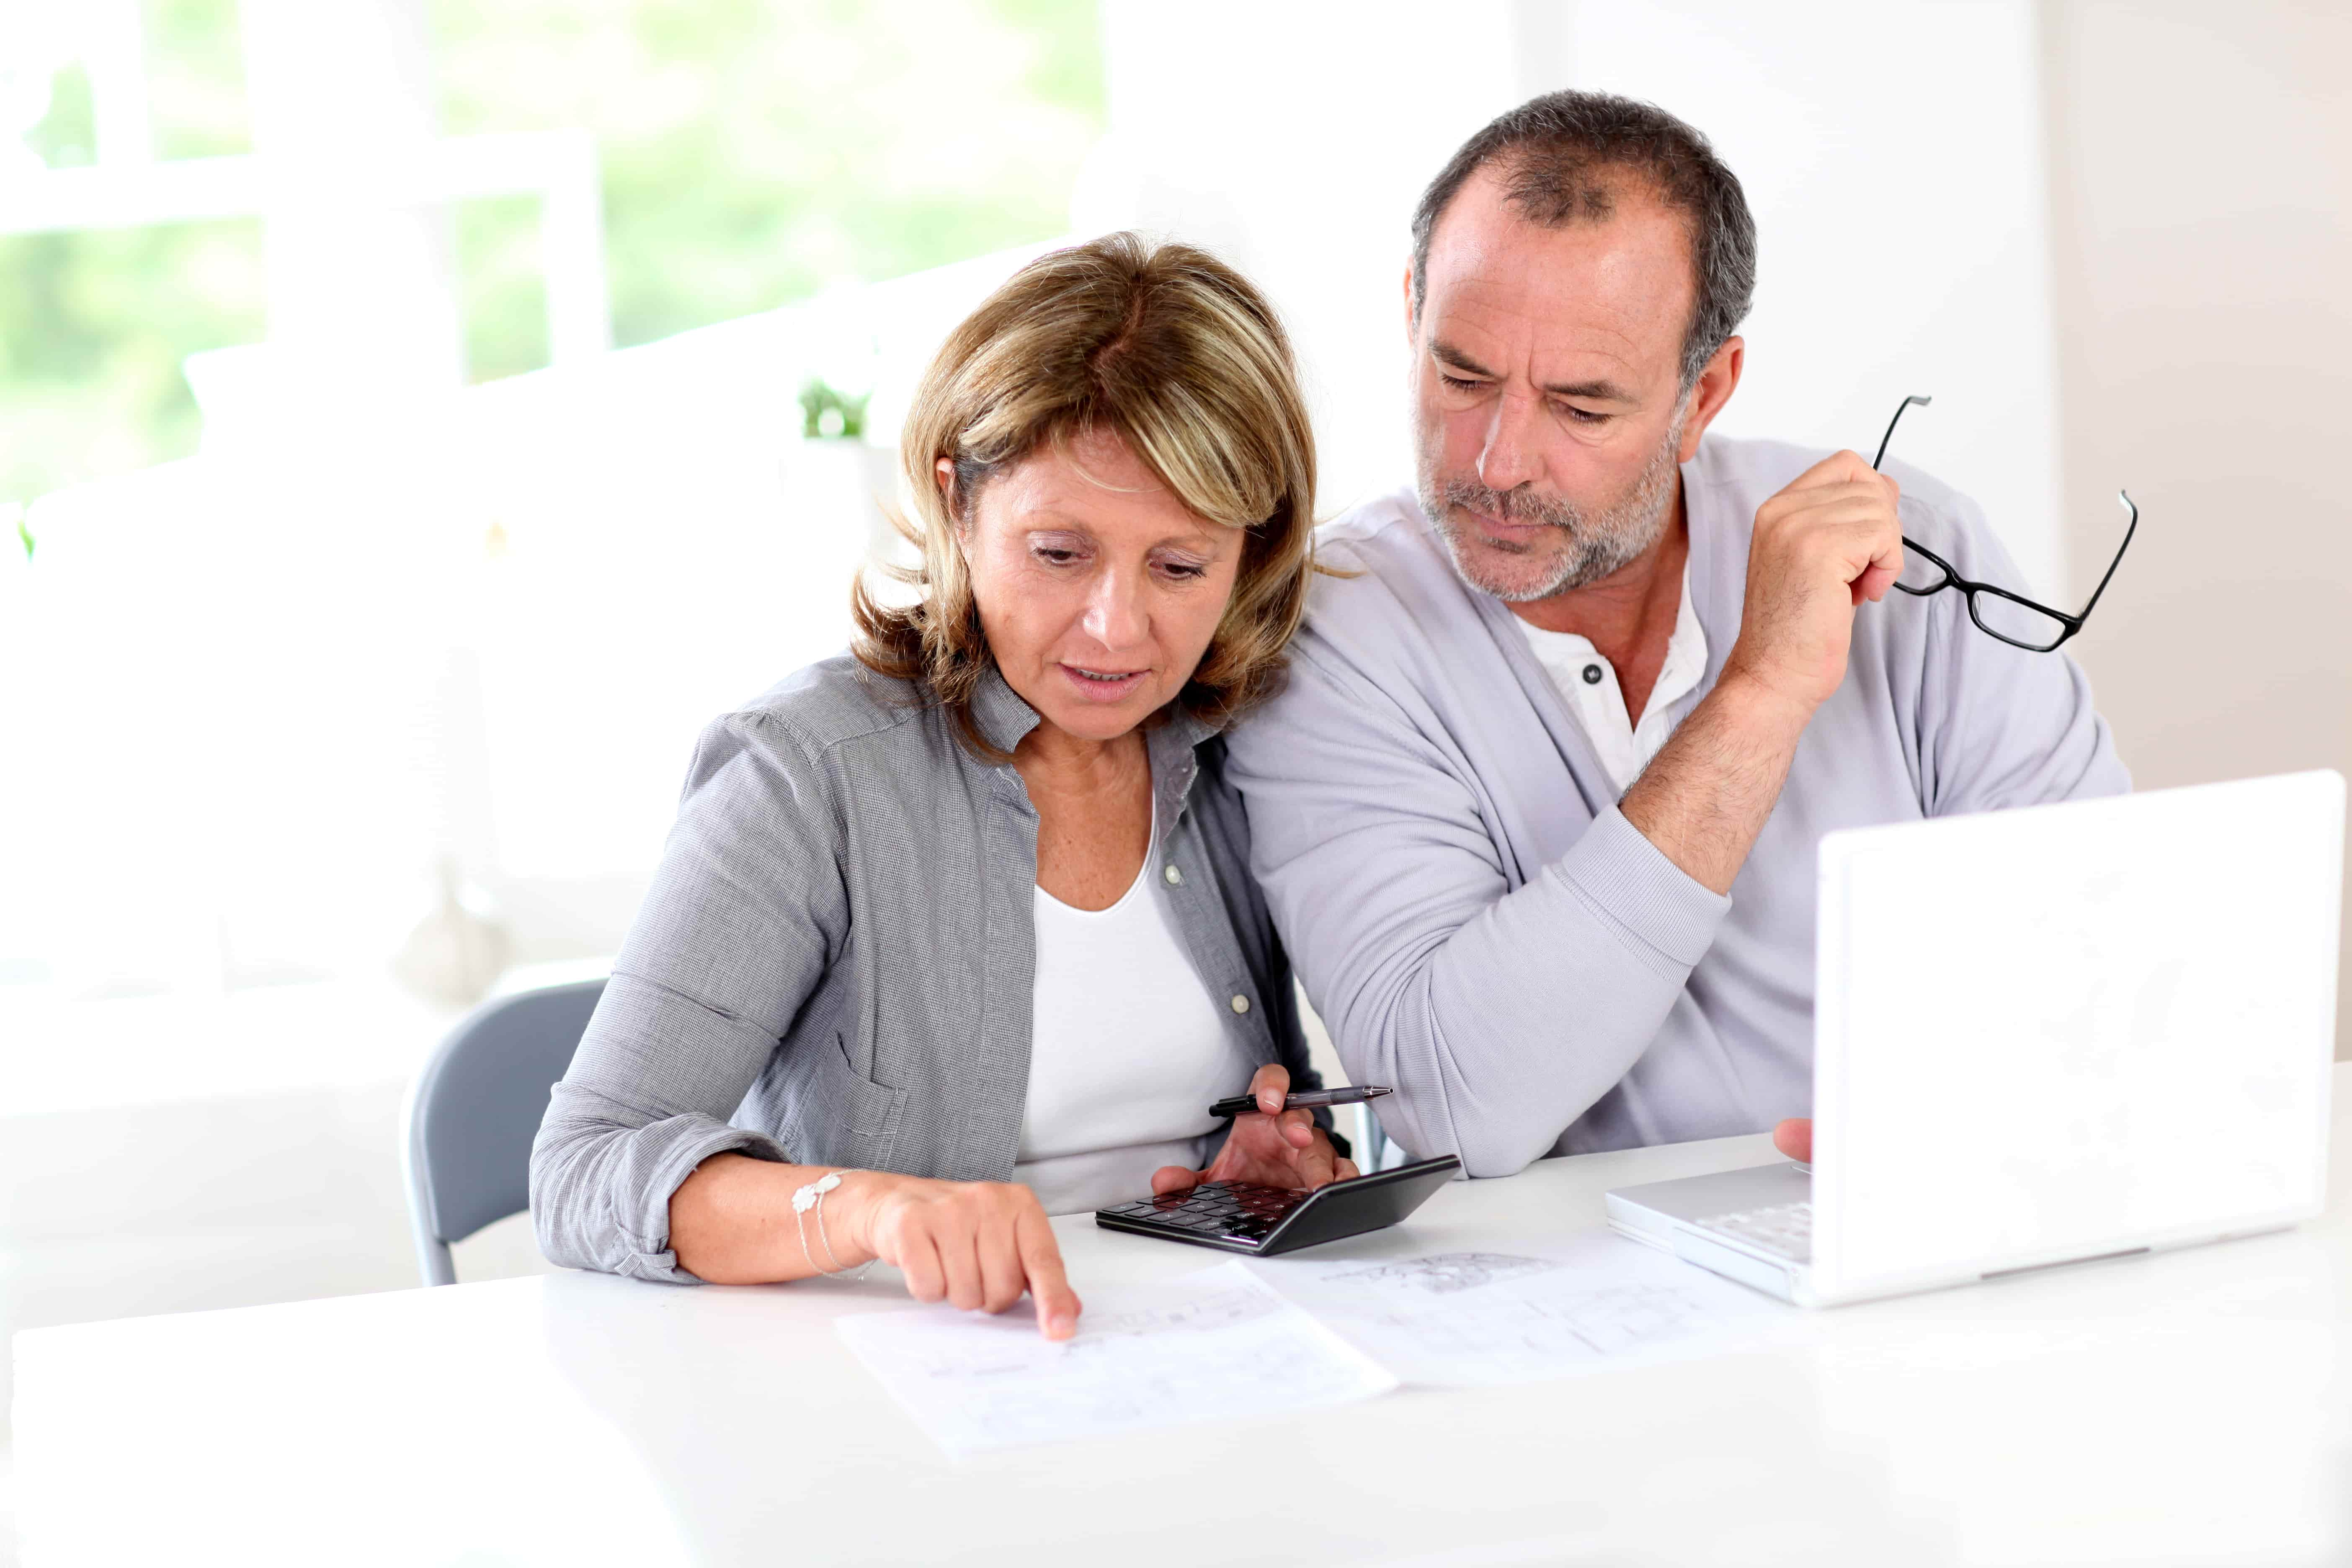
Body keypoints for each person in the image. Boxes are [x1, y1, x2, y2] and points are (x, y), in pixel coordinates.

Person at [1223, 91, 2129, 1178]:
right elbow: (1462, 1107)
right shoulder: (1327, 625)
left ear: (1704, 394)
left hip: (1942, 1224)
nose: (1498, 463)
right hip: (1580, 1307)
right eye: (1461, 376)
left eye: (1582, 407)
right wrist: (1758, 696)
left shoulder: (1909, 547)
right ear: (1412, 310)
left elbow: (2109, 961)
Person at [532, 233, 1354, 1338]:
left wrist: (1251, 1172)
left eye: (1180, 565)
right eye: (1060, 553)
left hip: (1200, 1364)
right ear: (955, 500)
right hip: (914, 1399)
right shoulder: (810, 771)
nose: (1118, 628)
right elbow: (585, 1168)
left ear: (1252, 554)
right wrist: (863, 1211)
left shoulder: (1242, 750)